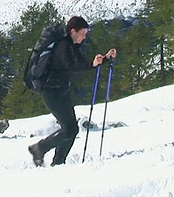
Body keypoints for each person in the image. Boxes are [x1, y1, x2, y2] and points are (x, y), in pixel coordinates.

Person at [28, 16, 116, 166]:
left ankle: (58, 162)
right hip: (52, 92)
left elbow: (84, 63)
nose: (84, 36)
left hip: (60, 91)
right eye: (82, 33)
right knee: (70, 129)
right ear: (73, 31)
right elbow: (71, 66)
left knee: (71, 129)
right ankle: (40, 148)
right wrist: (92, 63)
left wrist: (104, 59)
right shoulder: (63, 46)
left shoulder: (71, 46)